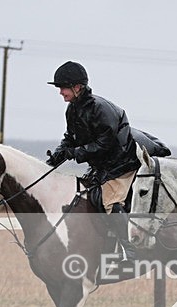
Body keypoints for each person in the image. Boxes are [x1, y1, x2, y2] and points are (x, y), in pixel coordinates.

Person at [46, 61, 139, 260]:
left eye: (63, 88)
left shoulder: (101, 109)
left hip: (121, 164)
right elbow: (70, 138)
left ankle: (129, 248)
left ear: (77, 87)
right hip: (103, 165)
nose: (61, 92)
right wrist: (58, 156)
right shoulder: (72, 109)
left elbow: (105, 143)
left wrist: (77, 153)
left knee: (109, 201)